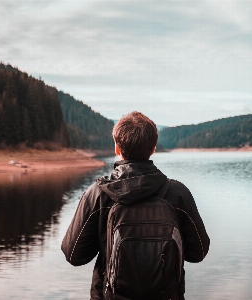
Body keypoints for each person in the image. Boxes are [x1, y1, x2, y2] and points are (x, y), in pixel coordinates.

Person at [61, 111, 210, 299]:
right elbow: (199, 253)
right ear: (153, 148)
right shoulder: (177, 194)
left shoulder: (98, 195)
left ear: (117, 148)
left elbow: (74, 255)